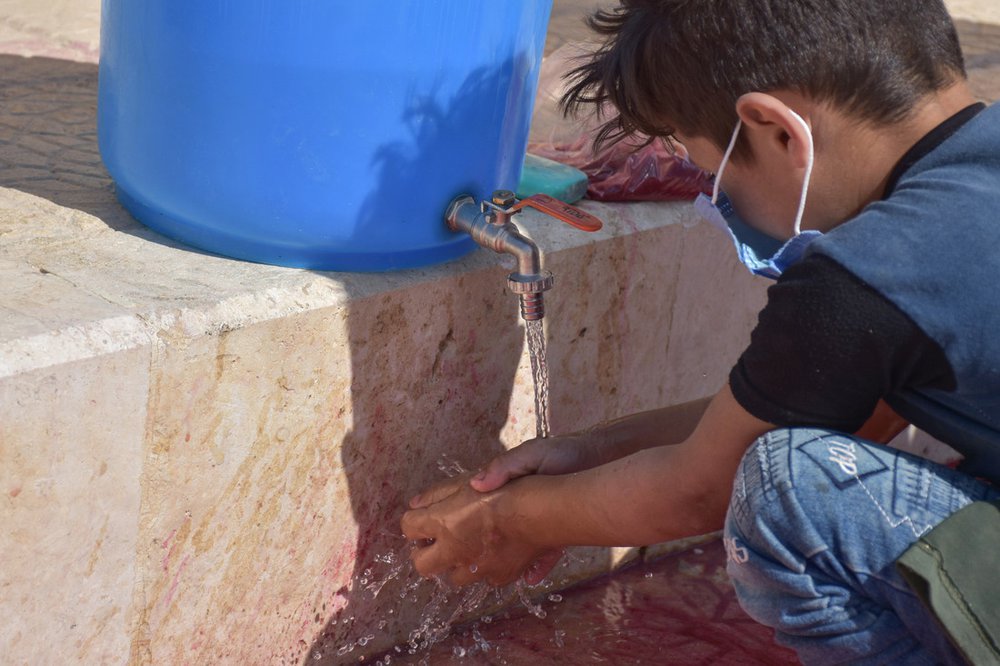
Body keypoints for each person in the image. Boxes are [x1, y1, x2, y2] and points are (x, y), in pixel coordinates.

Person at [401, 1, 1000, 663]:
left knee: (788, 490)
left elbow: (701, 488)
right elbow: (854, 412)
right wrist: (590, 451)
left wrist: (508, 520)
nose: (721, 201)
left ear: (774, 130)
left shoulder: (873, 273)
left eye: (713, 173)